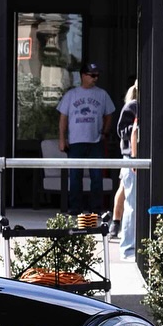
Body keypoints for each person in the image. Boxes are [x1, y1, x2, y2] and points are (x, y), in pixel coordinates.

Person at [58, 60, 115, 217]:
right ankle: (75, 209)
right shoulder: (71, 95)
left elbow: (109, 114)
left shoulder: (102, 94)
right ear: (83, 75)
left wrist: (104, 132)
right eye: (92, 75)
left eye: (97, 76)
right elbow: (63, 118)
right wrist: (62, 139)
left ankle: (95, 209)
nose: (95, 78)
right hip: (75, 142)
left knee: (96, 177)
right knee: (75, 177)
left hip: (95, 142)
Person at [111, 81, 139, 255]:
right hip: (131, 158)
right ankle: (128, 247)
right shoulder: (133, 106)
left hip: (134, 159)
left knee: (128, 195)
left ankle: (121, 232)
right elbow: (123, 131)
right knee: (132, 202)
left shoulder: (139, 105)